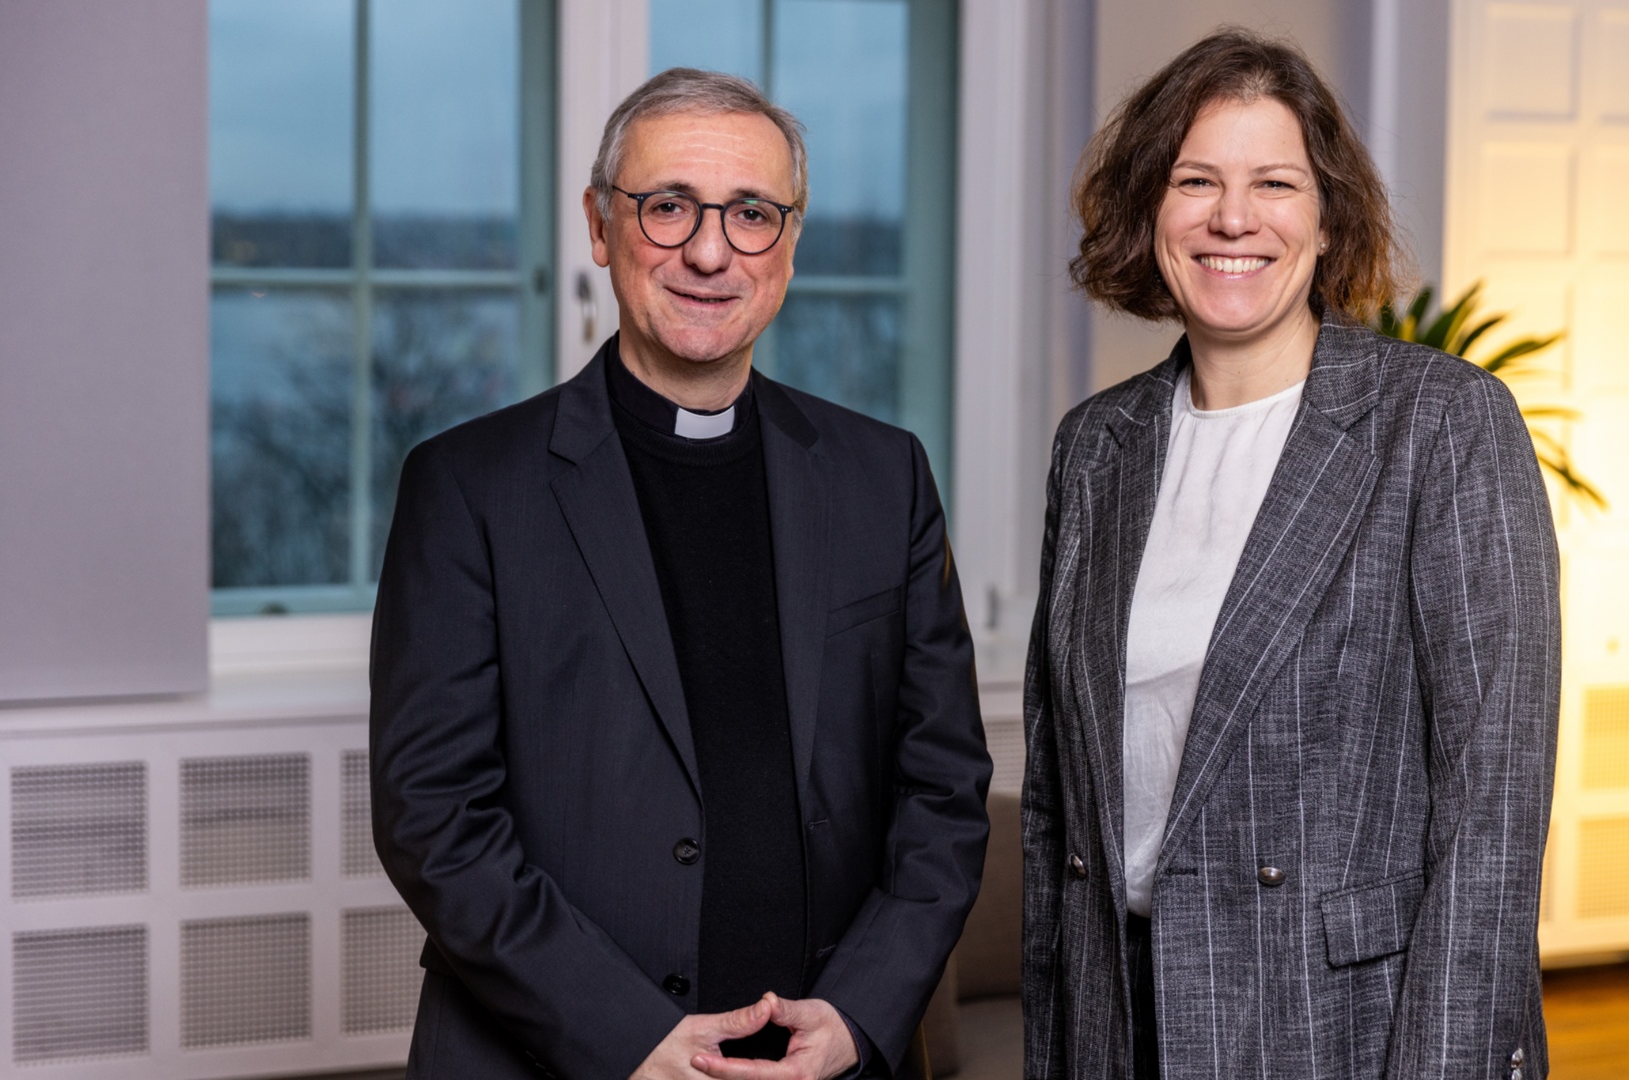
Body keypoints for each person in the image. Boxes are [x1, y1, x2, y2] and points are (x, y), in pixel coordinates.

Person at [371, 68, 990, 1080]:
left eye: (750, 213)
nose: (710, 250)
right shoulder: (468, 488)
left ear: (790, 242)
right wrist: (628, 1035)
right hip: (553, 1055)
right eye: (669, 208)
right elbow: (436, 821)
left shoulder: (886, 477)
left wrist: (864, 1010)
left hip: (822, 1060)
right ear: (600, 224)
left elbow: (945, 788)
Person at [1020, 28, 1560, 1080]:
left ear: (1325, 219)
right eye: (1196, 181)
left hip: (1335, 1026)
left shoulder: (1440, 423)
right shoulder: (1096, 447)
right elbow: (1057, 808)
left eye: (1275, 182)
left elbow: (1494, 808)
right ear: (1150, 213)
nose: (1234, 217)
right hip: (1117, 1014)